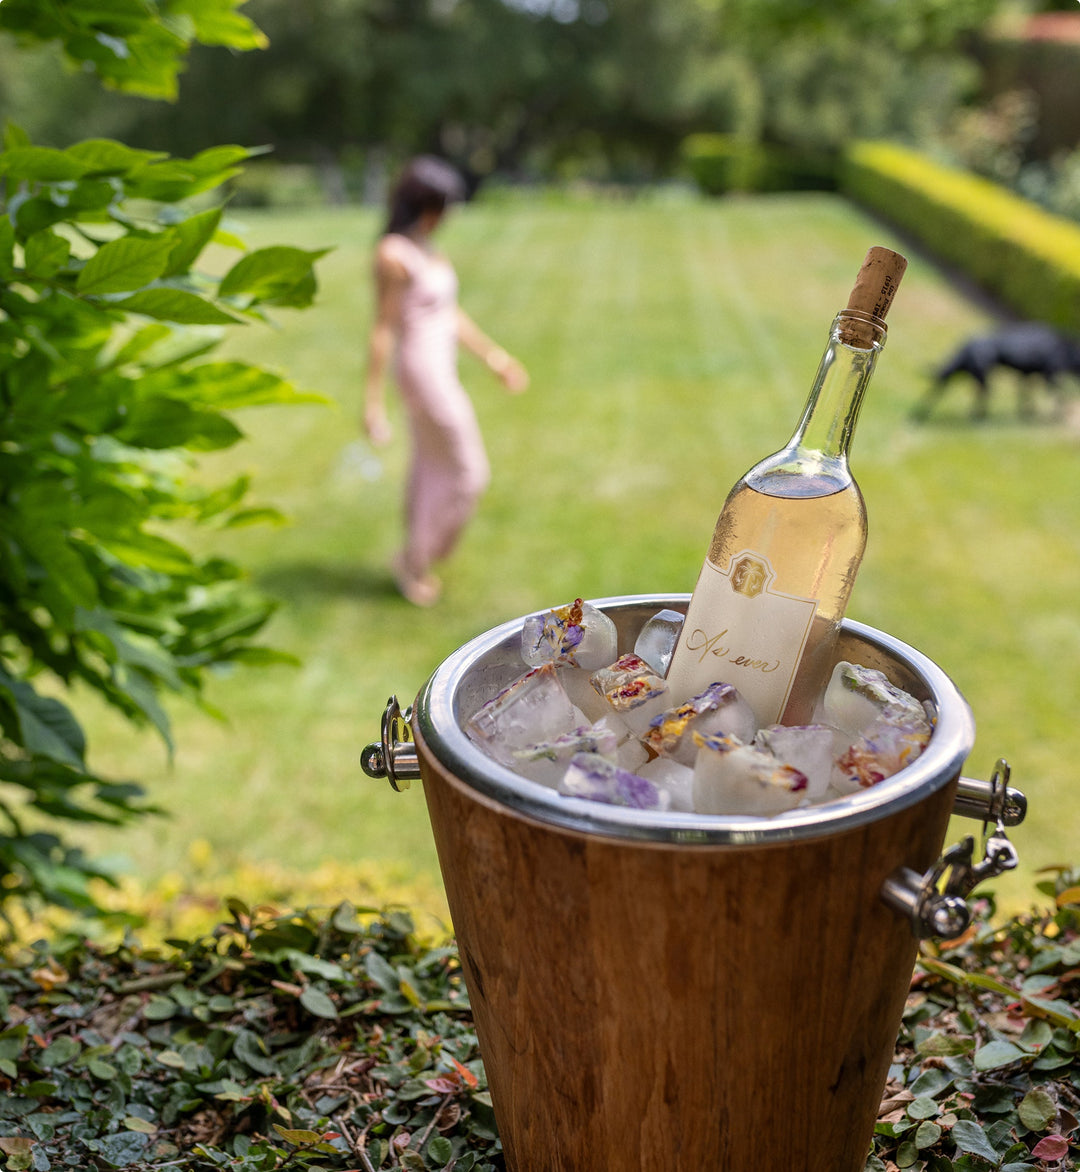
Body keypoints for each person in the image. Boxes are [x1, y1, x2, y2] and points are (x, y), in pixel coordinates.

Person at [362, 156, 528, 606]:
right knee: (468, 472)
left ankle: (413, 559)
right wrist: (372, 402)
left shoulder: (428, 248)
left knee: (429, 466)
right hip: (422, 371)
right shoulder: (393, 253)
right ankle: (416, 556)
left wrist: (495, 358)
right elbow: (383, 328)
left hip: (442, 366)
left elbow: (449, 314)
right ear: (425, 203)